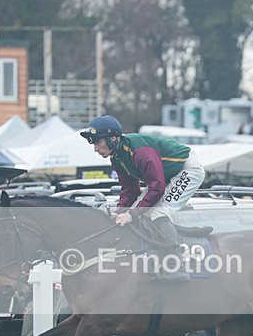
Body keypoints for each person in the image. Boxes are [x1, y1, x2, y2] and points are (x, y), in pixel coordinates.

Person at [80, 115, 206, 281]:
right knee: (141, 213)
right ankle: (155, 257)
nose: (95, 149)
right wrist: (120, 211)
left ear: (112, 138)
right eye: (93, 144)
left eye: (97, 142)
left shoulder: (140, 152)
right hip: (167, 175)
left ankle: (176, 264)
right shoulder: (117, 158)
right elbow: (130, 190)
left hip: (188, 169)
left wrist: (131, 214)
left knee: (156, 213)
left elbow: (157, 188)